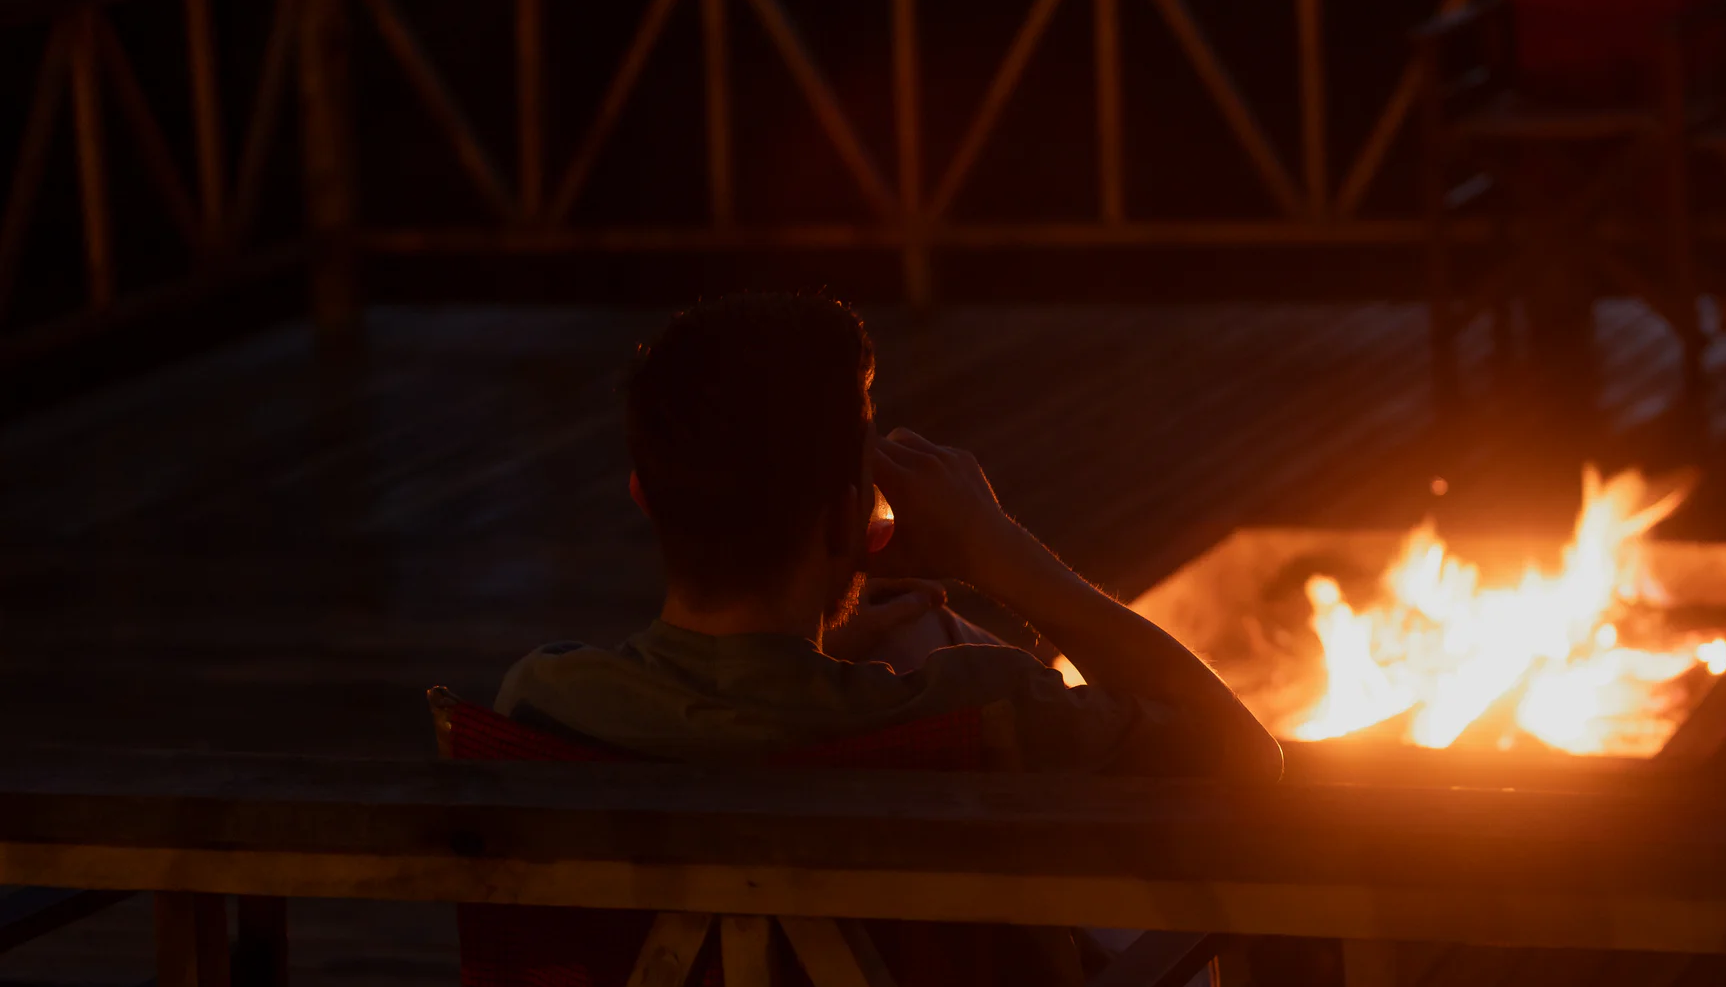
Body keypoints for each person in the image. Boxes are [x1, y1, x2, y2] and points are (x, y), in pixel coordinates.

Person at [497, 290, 1283, 784]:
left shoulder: (544, 702)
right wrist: (999, 555)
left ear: (645, 497)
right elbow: (1248, 763)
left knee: (922, 631)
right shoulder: (979, 712)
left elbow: (733, 717)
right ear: (846, 517)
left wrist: (820, 653)